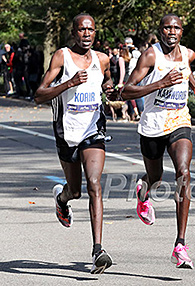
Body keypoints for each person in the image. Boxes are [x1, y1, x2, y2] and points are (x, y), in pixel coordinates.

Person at [121, 13, 195, 269]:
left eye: (176, 28)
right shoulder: (150, 56)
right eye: (167, 28)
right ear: (160, 31)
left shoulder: (188, 54)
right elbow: (126, 90)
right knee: (156, 178)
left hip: (179, 122)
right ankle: (144, 189)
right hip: (152, 127)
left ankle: (180, 244)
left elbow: (186, 71)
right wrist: (160, 83)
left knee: (183, 173)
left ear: (182, 31)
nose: (172, 31)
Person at [34, 13, 113, 274]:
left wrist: (111, 90)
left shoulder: (102, 59)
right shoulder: (62, 56)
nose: (87, 34)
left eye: (91, 29)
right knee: (76, 191)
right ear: (74, 32)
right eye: (82, 30)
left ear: (95, 32)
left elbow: (108, 81)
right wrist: (69, 83)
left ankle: (97, 251)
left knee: (94, 185)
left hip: (93, 130)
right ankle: (62, 199)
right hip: (67, 131)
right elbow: (39, 94)